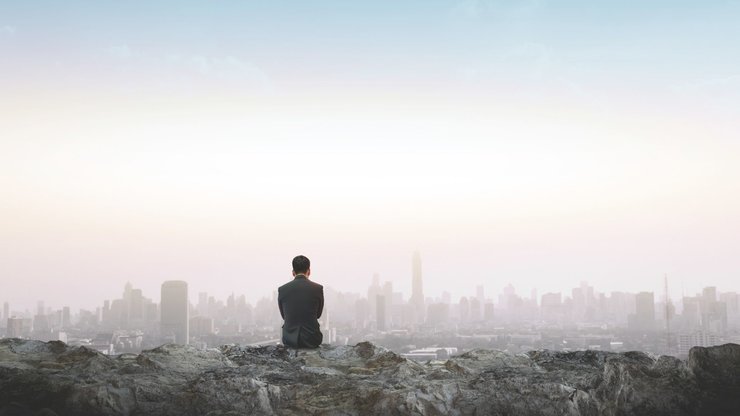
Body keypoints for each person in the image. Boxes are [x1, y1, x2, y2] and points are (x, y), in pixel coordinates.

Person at [277, 255, 324, 348]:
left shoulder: (282, 289)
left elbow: (284, 316)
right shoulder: (318, 288)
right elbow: (318, 314)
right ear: (309, 271)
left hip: (289, 339)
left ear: (293, 272)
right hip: (312, 339)